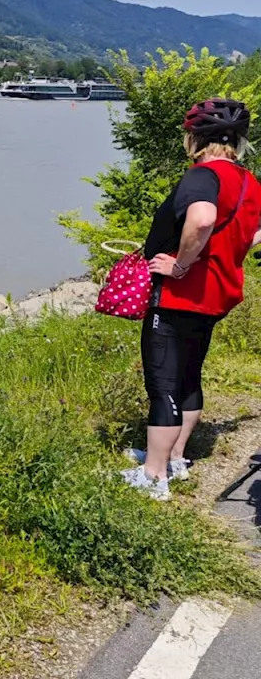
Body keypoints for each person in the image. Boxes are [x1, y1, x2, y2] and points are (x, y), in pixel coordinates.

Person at [122, 98, 261, 501]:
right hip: (217, 295)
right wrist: (230, 252)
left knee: (162, 382)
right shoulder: (249, 182)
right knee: (187, 375)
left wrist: (181, 265)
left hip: (181, 294)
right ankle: (173, 457)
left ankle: (153, 475)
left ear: (194, 138)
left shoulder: (204, 176)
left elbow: (201, 220)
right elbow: (251, 233)